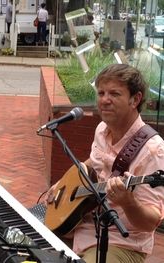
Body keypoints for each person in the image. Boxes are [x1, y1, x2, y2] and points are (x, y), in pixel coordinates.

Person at [45, 64, 164, 263]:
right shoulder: (102, 129)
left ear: (135, 99)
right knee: (25, 245)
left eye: (114, 94)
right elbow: (94, 162)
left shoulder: (154, 151)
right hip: (83, 224)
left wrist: (128, 202)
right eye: (101, 93)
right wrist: (65, 184)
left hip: (122, 242)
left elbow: (150, 222)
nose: (104, 100)